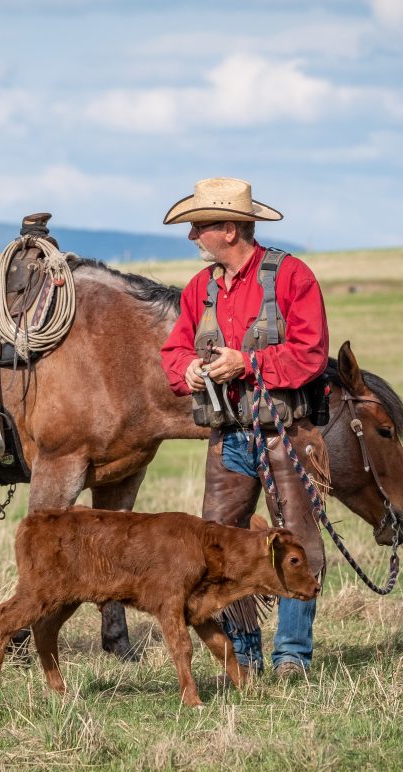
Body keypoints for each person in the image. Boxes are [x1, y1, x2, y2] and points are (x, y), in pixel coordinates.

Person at [159, 177, 330, 679]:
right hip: (228, 439)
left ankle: (292, 655)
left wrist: (247, 362)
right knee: (219, 545)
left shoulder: (292, 277)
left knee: (296, 543)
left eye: (200, 227)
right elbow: (174, 352)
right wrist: (187, 368)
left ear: (229, 230)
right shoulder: (200, 288)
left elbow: (310, 354)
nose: (193, 237)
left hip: (286, 434)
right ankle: (244, 656)